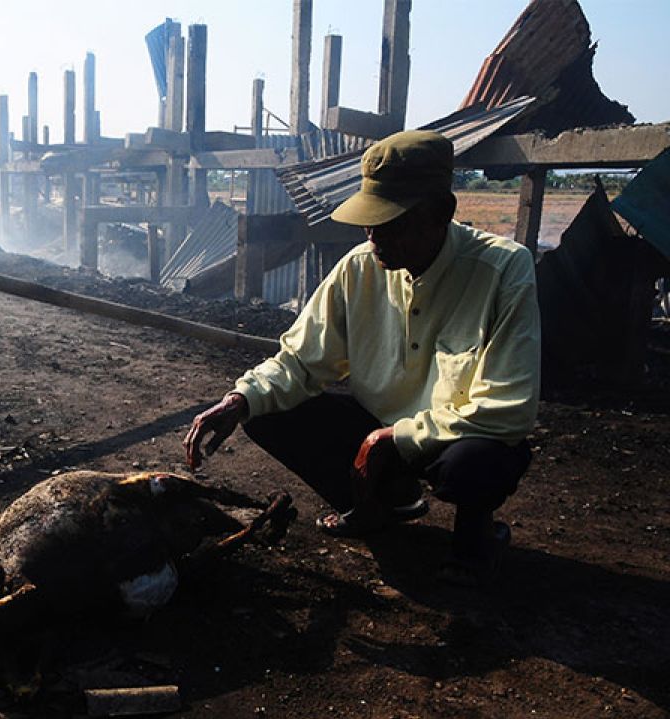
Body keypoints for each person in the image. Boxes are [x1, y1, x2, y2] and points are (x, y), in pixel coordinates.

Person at [182, 130, 540, 586]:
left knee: (475, 463)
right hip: (378, 426)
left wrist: (394, 437)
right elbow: (300, 360)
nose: (374, 237)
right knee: (266, 408)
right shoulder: (359, 267)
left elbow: (507, 408)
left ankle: (477, 542)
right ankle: (380, 505)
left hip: (453, 439)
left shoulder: (505, 269)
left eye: (392, 223)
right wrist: (238, 399)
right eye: (370, 222)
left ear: (441, 213)